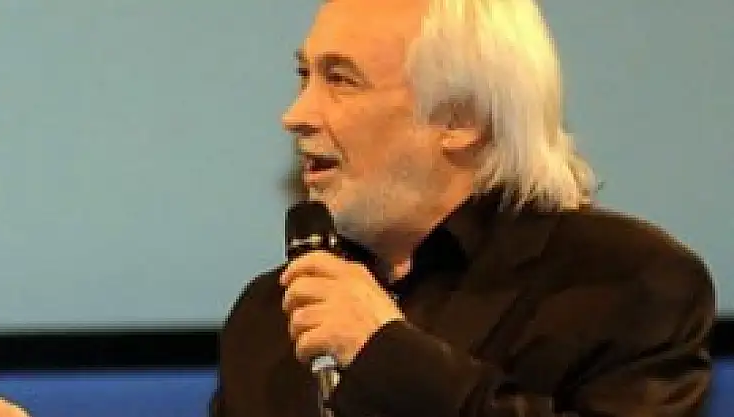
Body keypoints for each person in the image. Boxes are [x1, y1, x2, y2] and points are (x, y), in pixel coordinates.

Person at [214, 0, 717, 416]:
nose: (295, 114)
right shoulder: (269, 313)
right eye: (304, 75)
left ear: (460, 119)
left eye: (341, 80)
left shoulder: (630, 283)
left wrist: (386, 354)